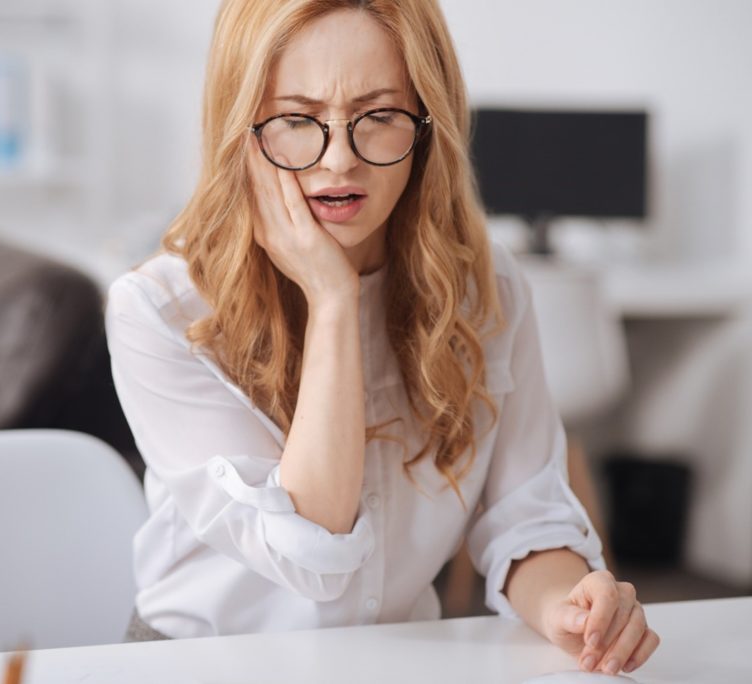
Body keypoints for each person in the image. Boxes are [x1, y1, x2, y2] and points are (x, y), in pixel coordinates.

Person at [105, 0, 659, 675]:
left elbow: (526, 520)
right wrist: (334, 299)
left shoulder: (488, 289)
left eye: (380, 117)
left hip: (393, 661)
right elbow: (314, 549)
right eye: (296, 120)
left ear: (427, 126)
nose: (339, 160)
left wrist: (575, 607)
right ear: (241, 125)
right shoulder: (158, 311)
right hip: (200, 665)